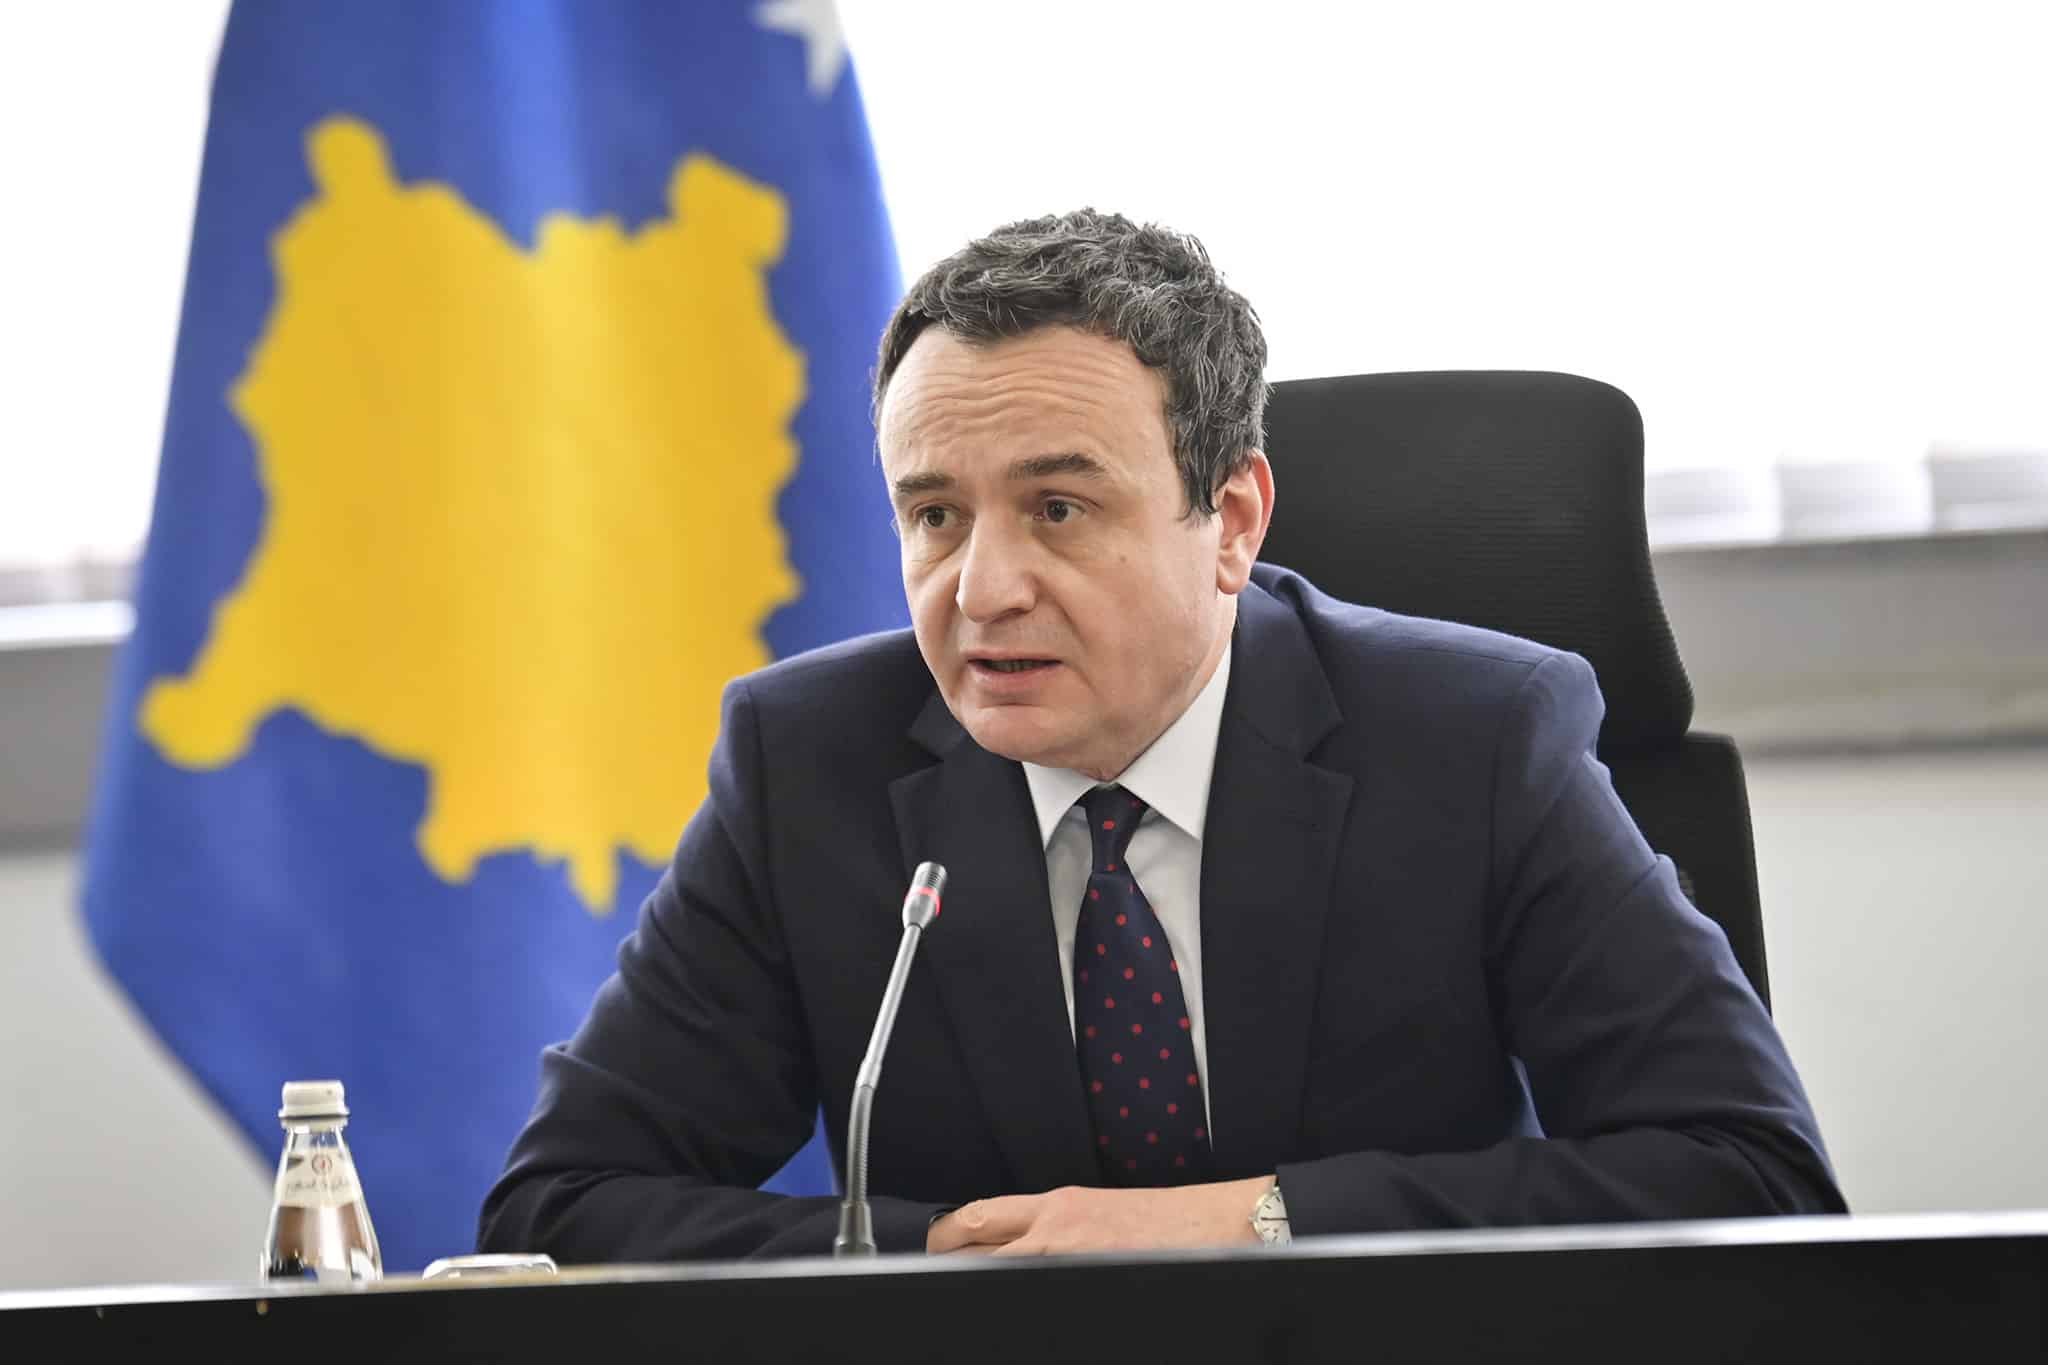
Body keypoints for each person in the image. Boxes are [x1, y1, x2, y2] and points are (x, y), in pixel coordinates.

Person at [477, 209, 1845, 1261]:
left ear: (1232, 522)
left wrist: (1252, 1218)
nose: (982, 589)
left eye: (1059, 509)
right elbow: (562, 1203)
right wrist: (938, 1257)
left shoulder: (1476, 740)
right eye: (935, 514)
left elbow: (1748, 1171)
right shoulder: (810, 763)